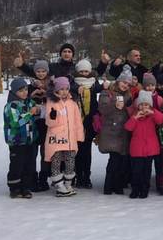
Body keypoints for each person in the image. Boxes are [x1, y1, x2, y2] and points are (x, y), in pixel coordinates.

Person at [45, 77, 85, 197]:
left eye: (66, 89)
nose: (64, 91)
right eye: (61, 89)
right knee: (56, 160)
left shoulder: (72, 103)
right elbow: (49, 123)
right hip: (56, 138)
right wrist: (52, 117)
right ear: (56, 90)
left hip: (70, 139)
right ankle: (59, 185)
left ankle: (68, 183)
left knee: (70, 161)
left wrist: (79, 136)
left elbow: (78, 121)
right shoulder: (51, 102)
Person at [96, 68, 133, 195]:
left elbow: (131, 112)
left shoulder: (128, 96)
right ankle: (109, 186)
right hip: (111, 132)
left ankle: (117, 185)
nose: (125, 85)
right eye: (123, 82)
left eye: (128, 84)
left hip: (123, 133)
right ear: (118, 81)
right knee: (114, 159)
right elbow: (102, 109)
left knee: (121, 161)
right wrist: (114, 105)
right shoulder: (107, 93)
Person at [3, 78, 40, 198]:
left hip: (30, 140)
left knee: (29, 165)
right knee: (17, 165)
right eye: (21, 91)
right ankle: (14, 188)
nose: (24, 92)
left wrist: (38, 111)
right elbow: (16, 122)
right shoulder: (11, 106)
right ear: (14, 92)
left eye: (25, 89)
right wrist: (31, 113)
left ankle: (26, 187)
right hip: (17, 141)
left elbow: (37, 115)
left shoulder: (30, 102)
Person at [125, 91, 163, 199]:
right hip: (137, 149)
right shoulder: (135, 115)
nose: (144, 107)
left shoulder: (153, 115)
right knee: (136, 172)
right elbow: (128, 127)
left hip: (149, 149)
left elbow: (161, 120)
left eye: (146, 105)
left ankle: (144, 190)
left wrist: (152, 112)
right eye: (142, 104)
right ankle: (135, 189)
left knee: (146, 172)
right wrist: (135, 118)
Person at [73, 59, 99, 188]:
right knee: (77, 152)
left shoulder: (94, 83)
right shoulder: (73, 83)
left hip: (89, 122)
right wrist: (77, 88)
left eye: (86, 71)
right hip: (76, 122)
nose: (84, 73)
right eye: (81, 71)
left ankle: (86, 177)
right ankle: (78, 176)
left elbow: (100, 89)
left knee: (87, 152)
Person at [29, 59, 51, 191]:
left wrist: (46, 94)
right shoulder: (30, 85)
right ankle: (32, 178)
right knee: (32, 153)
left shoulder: (51, 84)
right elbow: (23, 100)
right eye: (38, 71)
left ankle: (43, 178)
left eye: (43, 71)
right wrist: (32, 96)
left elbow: (56, 99)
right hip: (33, 123)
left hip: (46, 123)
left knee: (45, 153)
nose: (41, 73)